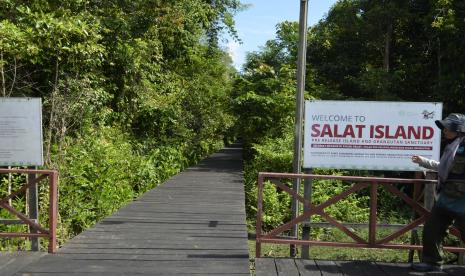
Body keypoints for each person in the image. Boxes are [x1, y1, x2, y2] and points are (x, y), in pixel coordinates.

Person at [411, 113, 465, 272]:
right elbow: (443, 167)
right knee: (431, 230)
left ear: (459, 129)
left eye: (448, 128)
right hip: (446, 198)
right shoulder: (452, 147)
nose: (444, 131)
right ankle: (432, 263)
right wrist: (423, 161)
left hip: (463, 202)